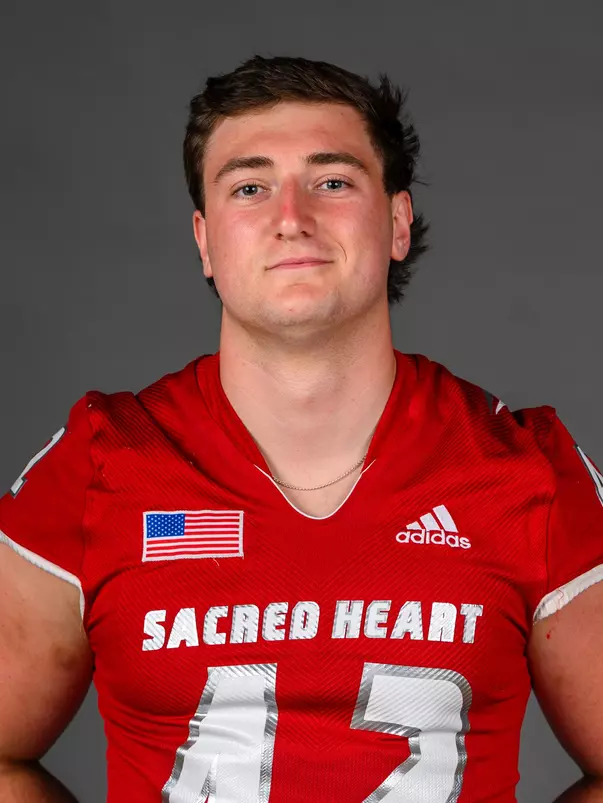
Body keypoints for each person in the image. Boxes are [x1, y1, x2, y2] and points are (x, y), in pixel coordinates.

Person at [0, 54, 602, 803]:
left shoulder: (525, 467)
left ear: (396, 222)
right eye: (249, 187)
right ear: (204, 240)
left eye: (332, 181)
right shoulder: (100, 460)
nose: (291, 217)